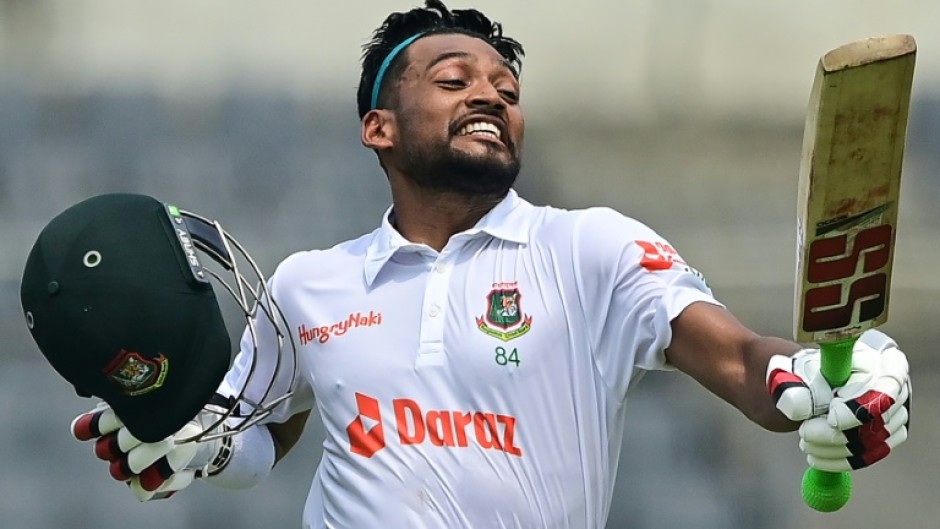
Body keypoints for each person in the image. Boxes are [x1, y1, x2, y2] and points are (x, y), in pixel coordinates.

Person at [61, 1, 912, 527]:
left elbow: (735, 357)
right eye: (453, 78)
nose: (490, 96)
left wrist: (806, 381)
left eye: (505, 88)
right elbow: (261, 441)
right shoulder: (308, 283)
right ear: (379, 128)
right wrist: (187, 449)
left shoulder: (591, 248)